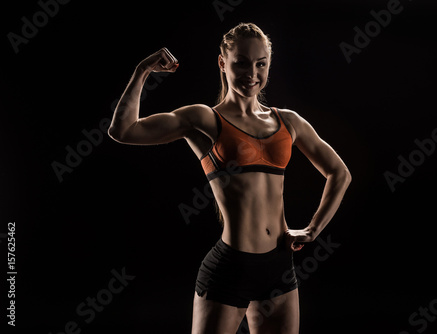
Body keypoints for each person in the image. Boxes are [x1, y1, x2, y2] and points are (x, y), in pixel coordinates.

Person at [108, 22, 351, 334]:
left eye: (261, 63)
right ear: (223, 63)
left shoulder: (288, 121)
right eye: (241, 63)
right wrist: (142, 71)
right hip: (229, 270)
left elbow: (339, 173)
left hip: (279, 268)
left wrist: (314, 228)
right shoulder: (203, 119)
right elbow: (123, 131)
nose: (252, 73)